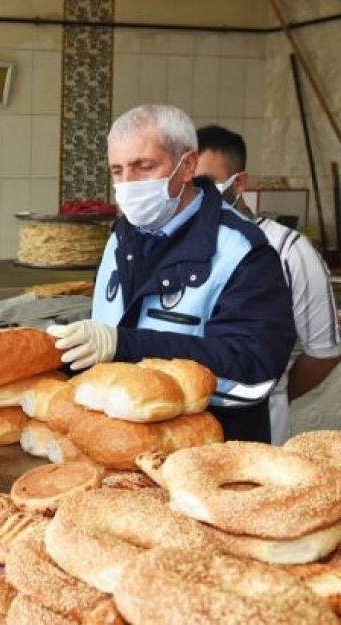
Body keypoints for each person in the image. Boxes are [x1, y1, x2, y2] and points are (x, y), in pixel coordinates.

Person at [47, 104, 296, 443]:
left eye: (143, 167)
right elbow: (115, 324)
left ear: (187, 165)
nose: (127, 184)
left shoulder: (242, 252)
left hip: (211, 453)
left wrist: (124, 345)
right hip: (121, 442)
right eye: (117, 171)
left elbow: (252, 369)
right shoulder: (122, 236)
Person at [196, 124, 341, 445]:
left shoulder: (289, 250)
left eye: (207, 183)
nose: (197, 194)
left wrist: (271, 392)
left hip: (258, 433)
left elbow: (324, 353)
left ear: (240, 183)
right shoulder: (182, 247)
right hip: (187, 428)